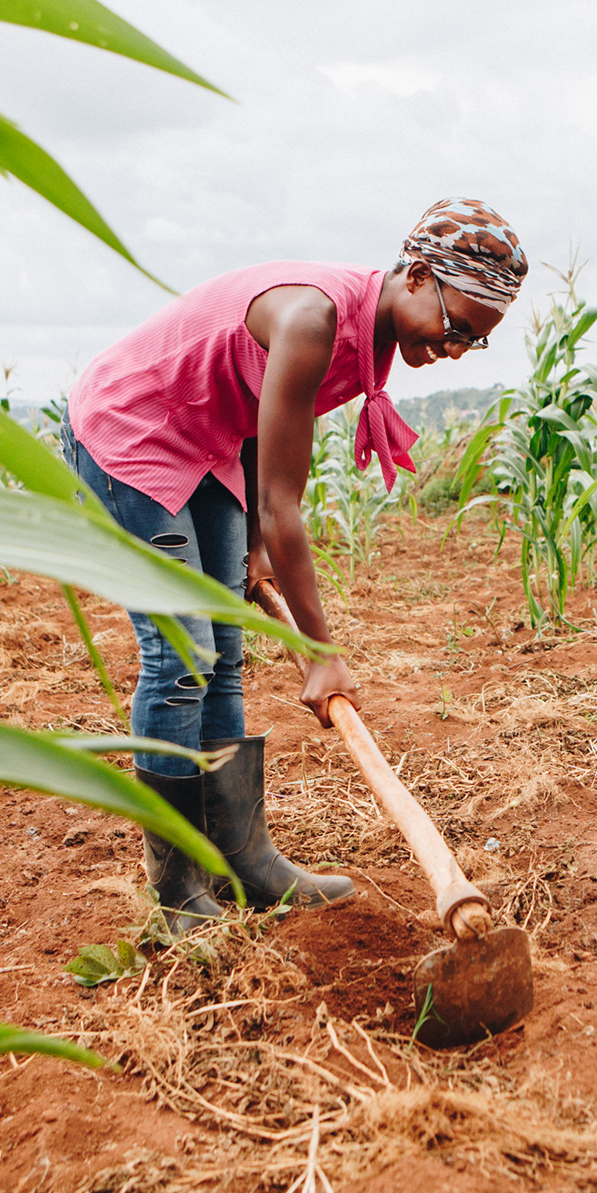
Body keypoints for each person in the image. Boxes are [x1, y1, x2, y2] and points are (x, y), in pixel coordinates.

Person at [61, 199, 526, 931]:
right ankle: (177, 891)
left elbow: (255, 417)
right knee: (183, 654)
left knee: (225, 653)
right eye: (458, 327)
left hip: (207, 442)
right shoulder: (316, 319)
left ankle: (246, 863)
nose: (458, 349)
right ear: (415, 276)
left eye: (477, 342)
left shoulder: (365, 341)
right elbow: (284, 507)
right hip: (131, 433)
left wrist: (245, 546)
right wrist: (319, 652)